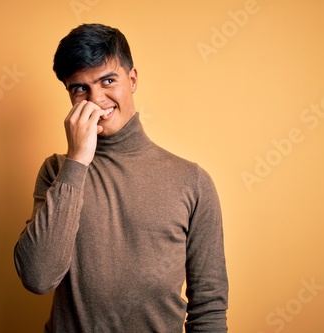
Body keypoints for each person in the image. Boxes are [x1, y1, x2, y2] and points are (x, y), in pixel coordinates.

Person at [14, 23, 228, 332]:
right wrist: (77, 161)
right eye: (80, 88)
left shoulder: (192, 181)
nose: (96, 98)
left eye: (107, 80)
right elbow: (38, 277)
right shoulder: (58, 172)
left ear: (132, 79)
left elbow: (209, 305)